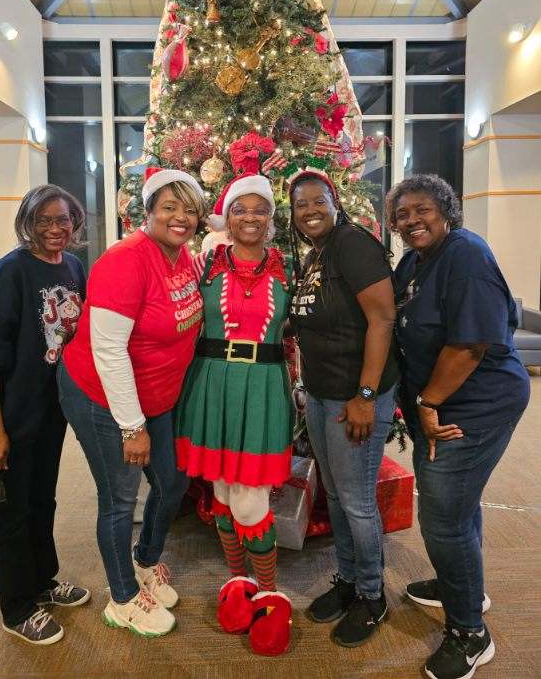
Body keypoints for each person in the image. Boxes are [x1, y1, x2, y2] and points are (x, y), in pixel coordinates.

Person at [386, 173, 530, 679]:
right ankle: (464, 586)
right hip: (443, 404)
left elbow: (470, 345)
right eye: (402, 215)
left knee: (444, 516)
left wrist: (427, 403)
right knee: (459, 504)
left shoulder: (465, 256)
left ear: (446, 210)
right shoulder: (414, 262)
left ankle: (470, 632)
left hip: (473, 407)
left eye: (421, 209)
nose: (411, 221)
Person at [57, 167, 206, 639]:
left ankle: (145, 561)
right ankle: (122, 599)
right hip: (105, 397)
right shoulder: (125, 260)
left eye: (190, 210)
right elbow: (107, 350)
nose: (180, 218)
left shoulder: (182, 255)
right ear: (149, 211)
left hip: (155, 396)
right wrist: (130, 426)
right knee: (120, 499)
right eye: (169, 207)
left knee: (172, 481)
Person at [0, 184, 89, 645]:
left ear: (76, 223)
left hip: (48, 414)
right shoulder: (10, 271)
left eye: (63, 220)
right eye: (43, 221)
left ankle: (42, 583)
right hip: (5, 419)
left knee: (41, 503)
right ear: (28, 224)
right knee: (11, 514)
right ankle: (16, 608)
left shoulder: (72, 266)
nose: (55, 228)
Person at [175, 173, 294, 657]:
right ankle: (238, 583)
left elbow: (299, 331)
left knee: (249, 501)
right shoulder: (203, 265)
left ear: (271, 217)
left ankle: (268, 594)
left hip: (263, 387)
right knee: (223, 492)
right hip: (211, 384)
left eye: (260, 209)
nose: (250, 217)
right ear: (226, 215)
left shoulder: (291, 268)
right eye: (240, 209)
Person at [287, 168, 398, 648]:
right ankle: (349, 580)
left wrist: (366, 396)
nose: (309, 210)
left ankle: (372, 597)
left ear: (336, 204)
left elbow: (383, 317)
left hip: (357, 394)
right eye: (300, 205)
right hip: (321, 391)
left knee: (355, 500)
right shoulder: (316, 256)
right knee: (334, 495)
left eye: (318, 201)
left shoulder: (352, 244)